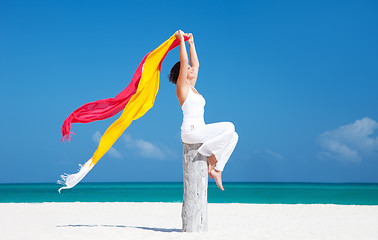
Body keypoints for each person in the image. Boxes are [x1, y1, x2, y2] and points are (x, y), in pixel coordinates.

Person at [169, 30, 239, 191]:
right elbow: (184, 59)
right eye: (188, 68)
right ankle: (211, 156)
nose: (192, 69)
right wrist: (181, 41)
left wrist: (191, 42)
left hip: (200, 130)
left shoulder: (192, 88)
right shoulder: (182, 89)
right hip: (191, 131)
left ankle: (217, 169)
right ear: (182, 73)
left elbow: (196, 64)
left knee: (234, 136)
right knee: (229, 126)